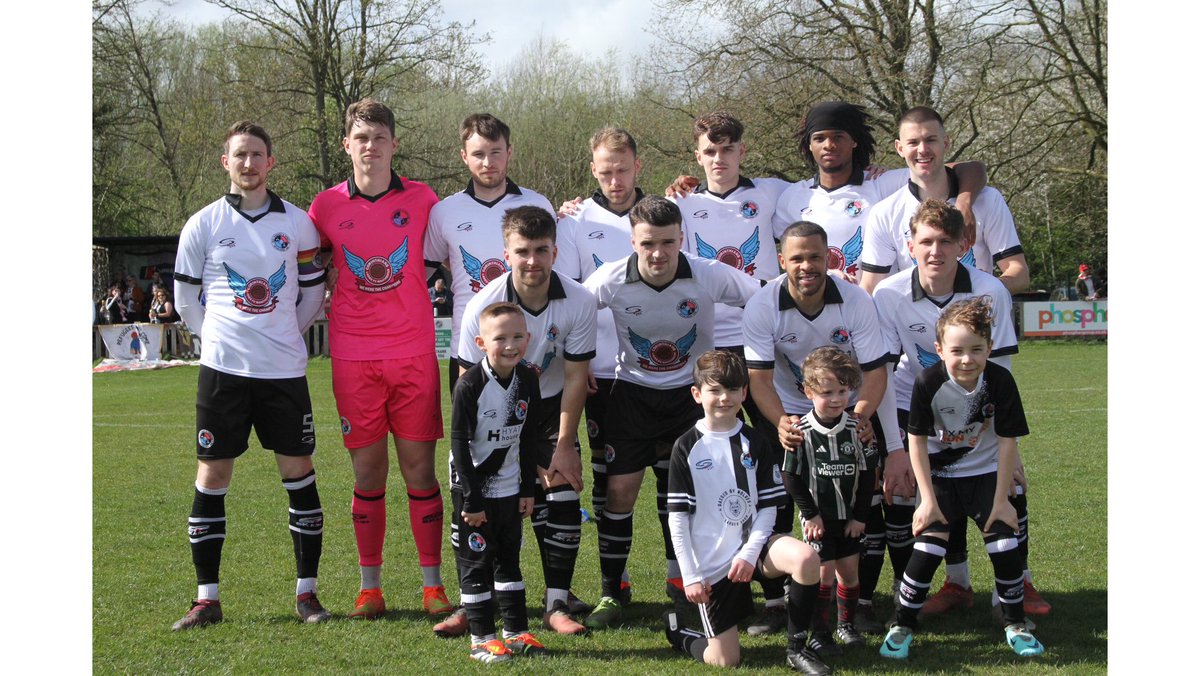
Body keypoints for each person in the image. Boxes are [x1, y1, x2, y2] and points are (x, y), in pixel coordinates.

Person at [170, 120, 329, 630]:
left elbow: (312, 295)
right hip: (223, 373)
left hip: (283, 372)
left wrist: (282, 334)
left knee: (299, 473)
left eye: (257, 154)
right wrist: (218, 341)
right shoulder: (203, 223)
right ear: (226, 162)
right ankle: (206, 600)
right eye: (240, 154)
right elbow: (184, 300)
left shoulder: (299, 224)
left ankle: (307, 595)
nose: (248, 163)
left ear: (270, 162)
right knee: (212, 477)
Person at [580, 196, 761, 630]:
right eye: (648, 243)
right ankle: (611, 591)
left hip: (689, 399)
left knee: (691, 495)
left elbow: (764, 298)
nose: (658, 253)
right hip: (633, 395)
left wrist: (759, 353)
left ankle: (683, 581)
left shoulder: (707, 273)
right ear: (633, 242)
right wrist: (579, 360)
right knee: (619, 493)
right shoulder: (610, 278)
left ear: (682, 238)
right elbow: (573, 311)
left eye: (667, 242)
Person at [307, 98, 449, 620]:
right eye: (361, 138)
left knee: (419, 471)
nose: (371, 146)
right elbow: (297, 257)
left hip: (413, 353)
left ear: (394, 144)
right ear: (347, 144)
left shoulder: (424, 199)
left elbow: (476, 226)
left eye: (380, 137)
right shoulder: (323, 207)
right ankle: (370, 588)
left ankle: (432, 585)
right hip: (353, 356)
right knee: (367, 474)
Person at [872, 200, 1046, 622]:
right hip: (916, 405)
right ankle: (957, 583)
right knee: (930, 492)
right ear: (910, 246)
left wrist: (1008, 449)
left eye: (946, 242)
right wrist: (894, 449)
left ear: (964, 245)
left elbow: (1001, 371)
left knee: (1009, 488)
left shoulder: (990, 290)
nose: (936, 251)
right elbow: (882, 373)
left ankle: (1017, 581)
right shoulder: (889, 293)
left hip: (979, 405)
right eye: (926, 241)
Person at [742, 221, 902, 637]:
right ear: (782, 261)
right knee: (777, 501)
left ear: (828, 257)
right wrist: (782, 422)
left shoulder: (855, 300)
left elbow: (876, 371)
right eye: (796, 258)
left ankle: (860, 604)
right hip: (788, 410)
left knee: (861, 500)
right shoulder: (762, 304)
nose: (806, 266)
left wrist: (858, 418)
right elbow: (758, 380)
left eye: (815, 256)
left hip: (845, 405)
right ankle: (777, 603)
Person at [669, 112, 791, 634]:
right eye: (710, 151)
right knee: (714, 471)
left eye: (728, 149)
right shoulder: (681, 203)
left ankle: (779, 594)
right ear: (697, 156)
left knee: (770, 465)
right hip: (704, 348)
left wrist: (872, 171)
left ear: (743, 151)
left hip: (761, 344)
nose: (719, 159)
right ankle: (717, 582)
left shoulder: (774, 194)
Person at [456, 206, 597, 636]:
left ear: (555, 251)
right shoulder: (482, 306)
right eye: (522, 251)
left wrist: (564, 445)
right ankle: (474, 598)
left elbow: (575, 378)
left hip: (549, 411)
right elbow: (467, 388)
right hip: (492, 420)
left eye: (541, 250)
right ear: (507, 254)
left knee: (562, 492)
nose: (532, 260)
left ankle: (557, 604)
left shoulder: (579, 300)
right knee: (480, 507)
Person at [878, 297, 1044, 660]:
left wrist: (1001, 501)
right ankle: (903, 624)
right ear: (939, 350)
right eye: (957, 351)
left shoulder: (1000, 381)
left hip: (985, 477)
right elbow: (916, 442)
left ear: (989, 348)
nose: (967, 359)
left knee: (1004, 543)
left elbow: (1007, 441)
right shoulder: (928, 381)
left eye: (976, 350)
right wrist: (927, 500)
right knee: (928, 547)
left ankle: (1015, 623)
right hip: (941, 478)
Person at [663, 350, 829, 674]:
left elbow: (768, 506)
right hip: (712, 562)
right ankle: (680, 632)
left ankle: (797, 649)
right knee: (725, 660)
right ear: (697, 394)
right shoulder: (686, 447)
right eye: (714, 390)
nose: (724, 398)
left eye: (732, 389)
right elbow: (678, 519)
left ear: (744, 393)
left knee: (807, 558)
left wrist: (750, 554)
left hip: (755, 549)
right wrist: (691, 576)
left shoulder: (756, 441)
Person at [554, 126, 647, 606]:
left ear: (637, 166)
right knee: (607, 473)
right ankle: (617, 577)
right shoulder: (574, 221)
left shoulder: (662, 213)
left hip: (659, 368)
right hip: (602, 369)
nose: (615, 180)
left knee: (672, 472)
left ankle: (680, 576)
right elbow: (571, 297)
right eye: (606, 172)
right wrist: (581, 356)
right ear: (593, 170)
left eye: (623, 170)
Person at [426, 113, 556, 394]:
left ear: (509, 152)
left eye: (496, 152)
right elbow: (429, 266)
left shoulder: (538, 204)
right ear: (464, 156)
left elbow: (555, 271)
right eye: (478, 154)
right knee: (471, 423)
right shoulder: (444, 211)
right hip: (468, 347)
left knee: (532, 422)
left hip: (528, 347)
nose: (488, 162)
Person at [450, 302, 548, 663]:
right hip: (473, 488)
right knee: (477, 561)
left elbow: (528, 437)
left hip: (509, 486)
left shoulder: (528, 379)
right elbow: (459, 444)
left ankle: (516, 632)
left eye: (517, 336)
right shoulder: (470, 384)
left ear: (528, 339)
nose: (510, 345)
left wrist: (527, 488)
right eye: (500, 338)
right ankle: (481, 639)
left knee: (509, 558)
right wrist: (471, 499)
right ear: (481, 343)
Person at [858, 106, 1028, 296]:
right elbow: (870, 287)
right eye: (913, 142)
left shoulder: (987, 200)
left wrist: (983, 294)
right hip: (915, 315)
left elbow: (1019, 273)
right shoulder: (884, 213)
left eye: (931, 140)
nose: (923, 150)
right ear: (899, 148)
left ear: (946, 142)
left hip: (976, 312)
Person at [783, 347, 877, 658]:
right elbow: (791, 476)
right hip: (818, 520)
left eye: (842, 391)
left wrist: (860, 517)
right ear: (808, 391)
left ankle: (846, 625)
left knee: (849, 572)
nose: (836, 399)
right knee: (822, 574)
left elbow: (868, 476)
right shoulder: (800, 431)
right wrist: (810, 515)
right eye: (827, 393)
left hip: (849, 518)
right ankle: (820, 632)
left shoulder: (857, 428)